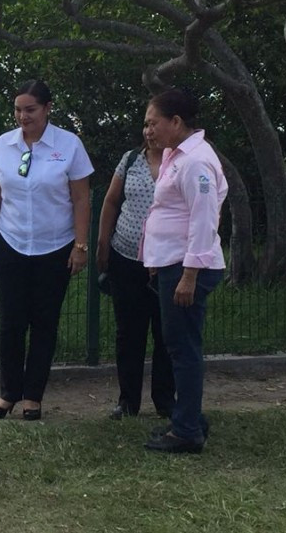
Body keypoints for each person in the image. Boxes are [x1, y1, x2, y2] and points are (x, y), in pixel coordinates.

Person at [0, 79, 94, 421]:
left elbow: (81, 198)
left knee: (44, 321)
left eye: (30, 109)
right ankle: (8, 393)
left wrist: (81, 245)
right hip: (11, 243)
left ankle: (33, 396)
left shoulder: (69, 145)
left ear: (47, 109)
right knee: (11, 322)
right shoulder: (4, 145)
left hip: (55, 247)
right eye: (17, 109)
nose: (22, 116)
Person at [140, 87, 227, 454]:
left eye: (152, 122)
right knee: (179, 346)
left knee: (183, 349)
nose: (148, 130)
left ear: (176, 122)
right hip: (171, 265)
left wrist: (189, 274)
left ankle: (187, 430)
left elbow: (203, 221)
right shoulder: (177, 156)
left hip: (185, 268)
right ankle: (189, 417)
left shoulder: (195, 162)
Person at [96, 137, 174, 420]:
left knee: (166, 332)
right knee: (129, 333)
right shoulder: (130, 159)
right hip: (126, 258)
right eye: (146, 124)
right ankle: (128, 401)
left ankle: (165, 400)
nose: (150, 130)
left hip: (167, 261)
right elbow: (111, 201)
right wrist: (103, 243)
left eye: (155, 123)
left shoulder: (182, 162)